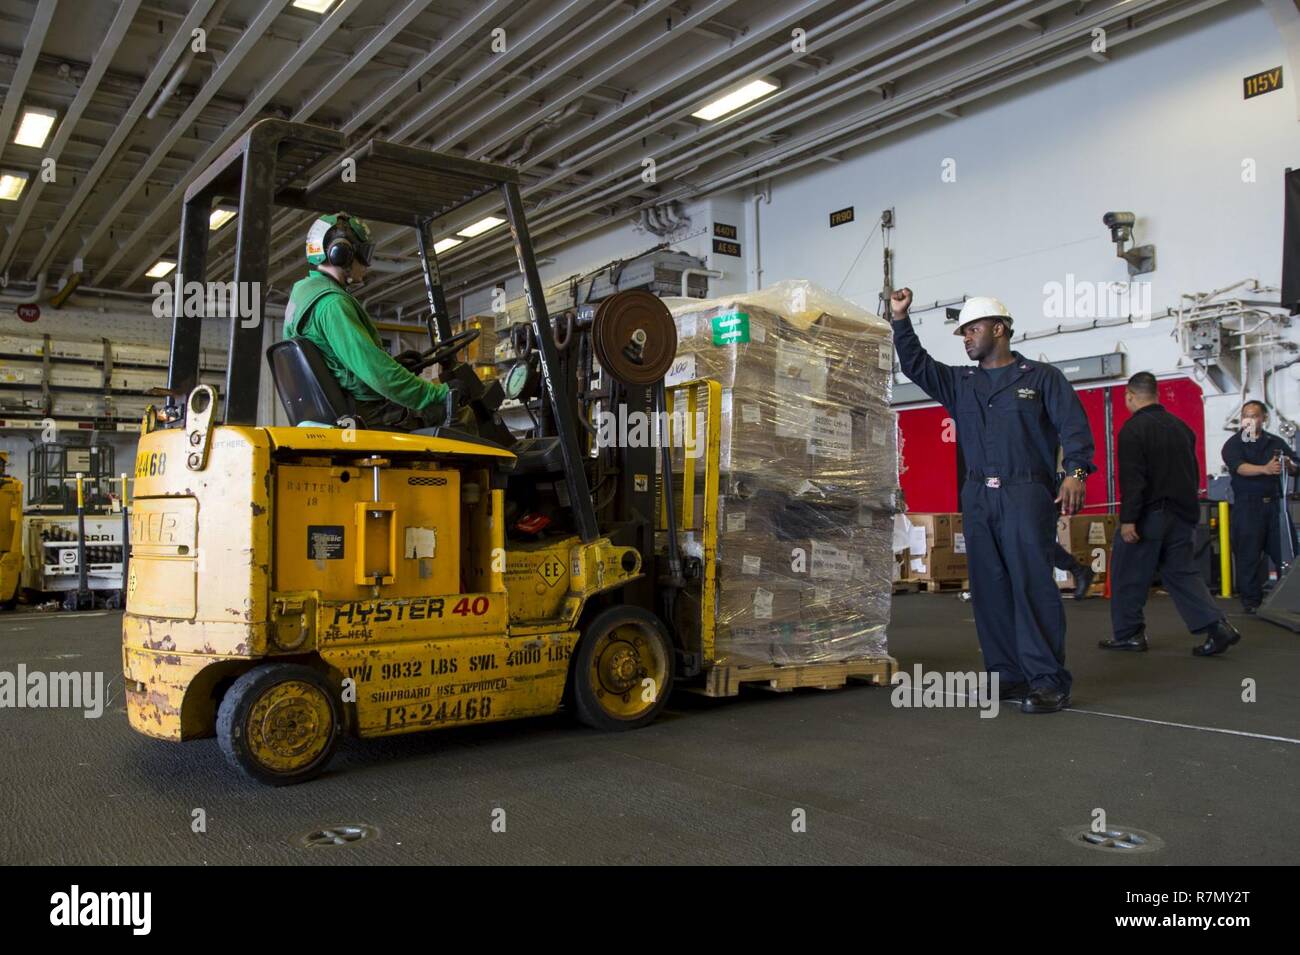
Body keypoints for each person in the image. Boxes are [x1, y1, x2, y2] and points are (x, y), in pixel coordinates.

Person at [891, 290, 1093, 713]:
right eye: (963, 331)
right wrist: (900, 319)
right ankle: (1008, 676)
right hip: (978, 496)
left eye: (973, 328)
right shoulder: (962, 383)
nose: (966, 337)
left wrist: (1075, 473)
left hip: (1026, 493)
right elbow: (916, 365)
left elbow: (1074, 428)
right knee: (990, 589)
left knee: (1031, 586)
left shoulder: (1040, 378)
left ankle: (1048, 680)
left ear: (999, 329)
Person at [1100, 372, 1241, 655]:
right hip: (1182, 514)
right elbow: (1193, 472)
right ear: (1157, 394)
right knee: (1182, 573)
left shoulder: (1132, 430)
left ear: (1129, 395)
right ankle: (1218, 627)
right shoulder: (1182, 428)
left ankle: (1130, 635)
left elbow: (1133, 480)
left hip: (1149, 516)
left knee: (1127, 574)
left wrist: (1129, 520)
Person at [284, 212, 450, 429]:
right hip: (367, 414)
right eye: (364, 253)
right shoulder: (332, 305)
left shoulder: (303, 296)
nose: (367, 264)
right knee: (460, 412)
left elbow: (341, 364)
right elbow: (377, 373)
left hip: (340, 408)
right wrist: (440, 394)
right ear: (341, 254)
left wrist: (396, 364)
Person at [1221, 400, 1299, 613]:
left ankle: (1290, 598)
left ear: (1264, 418)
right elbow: (1239, 468)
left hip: (1275, 506)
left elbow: (1294, 465)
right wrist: (1265, 469)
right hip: (1248, 507)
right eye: (1246, 415)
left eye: (1254, 415)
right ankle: (1251, 603)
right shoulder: (1234, 444)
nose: (1249, 419)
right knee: (1248, 556)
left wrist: (1289, 465)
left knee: (1288, 552)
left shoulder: (1275, 442)